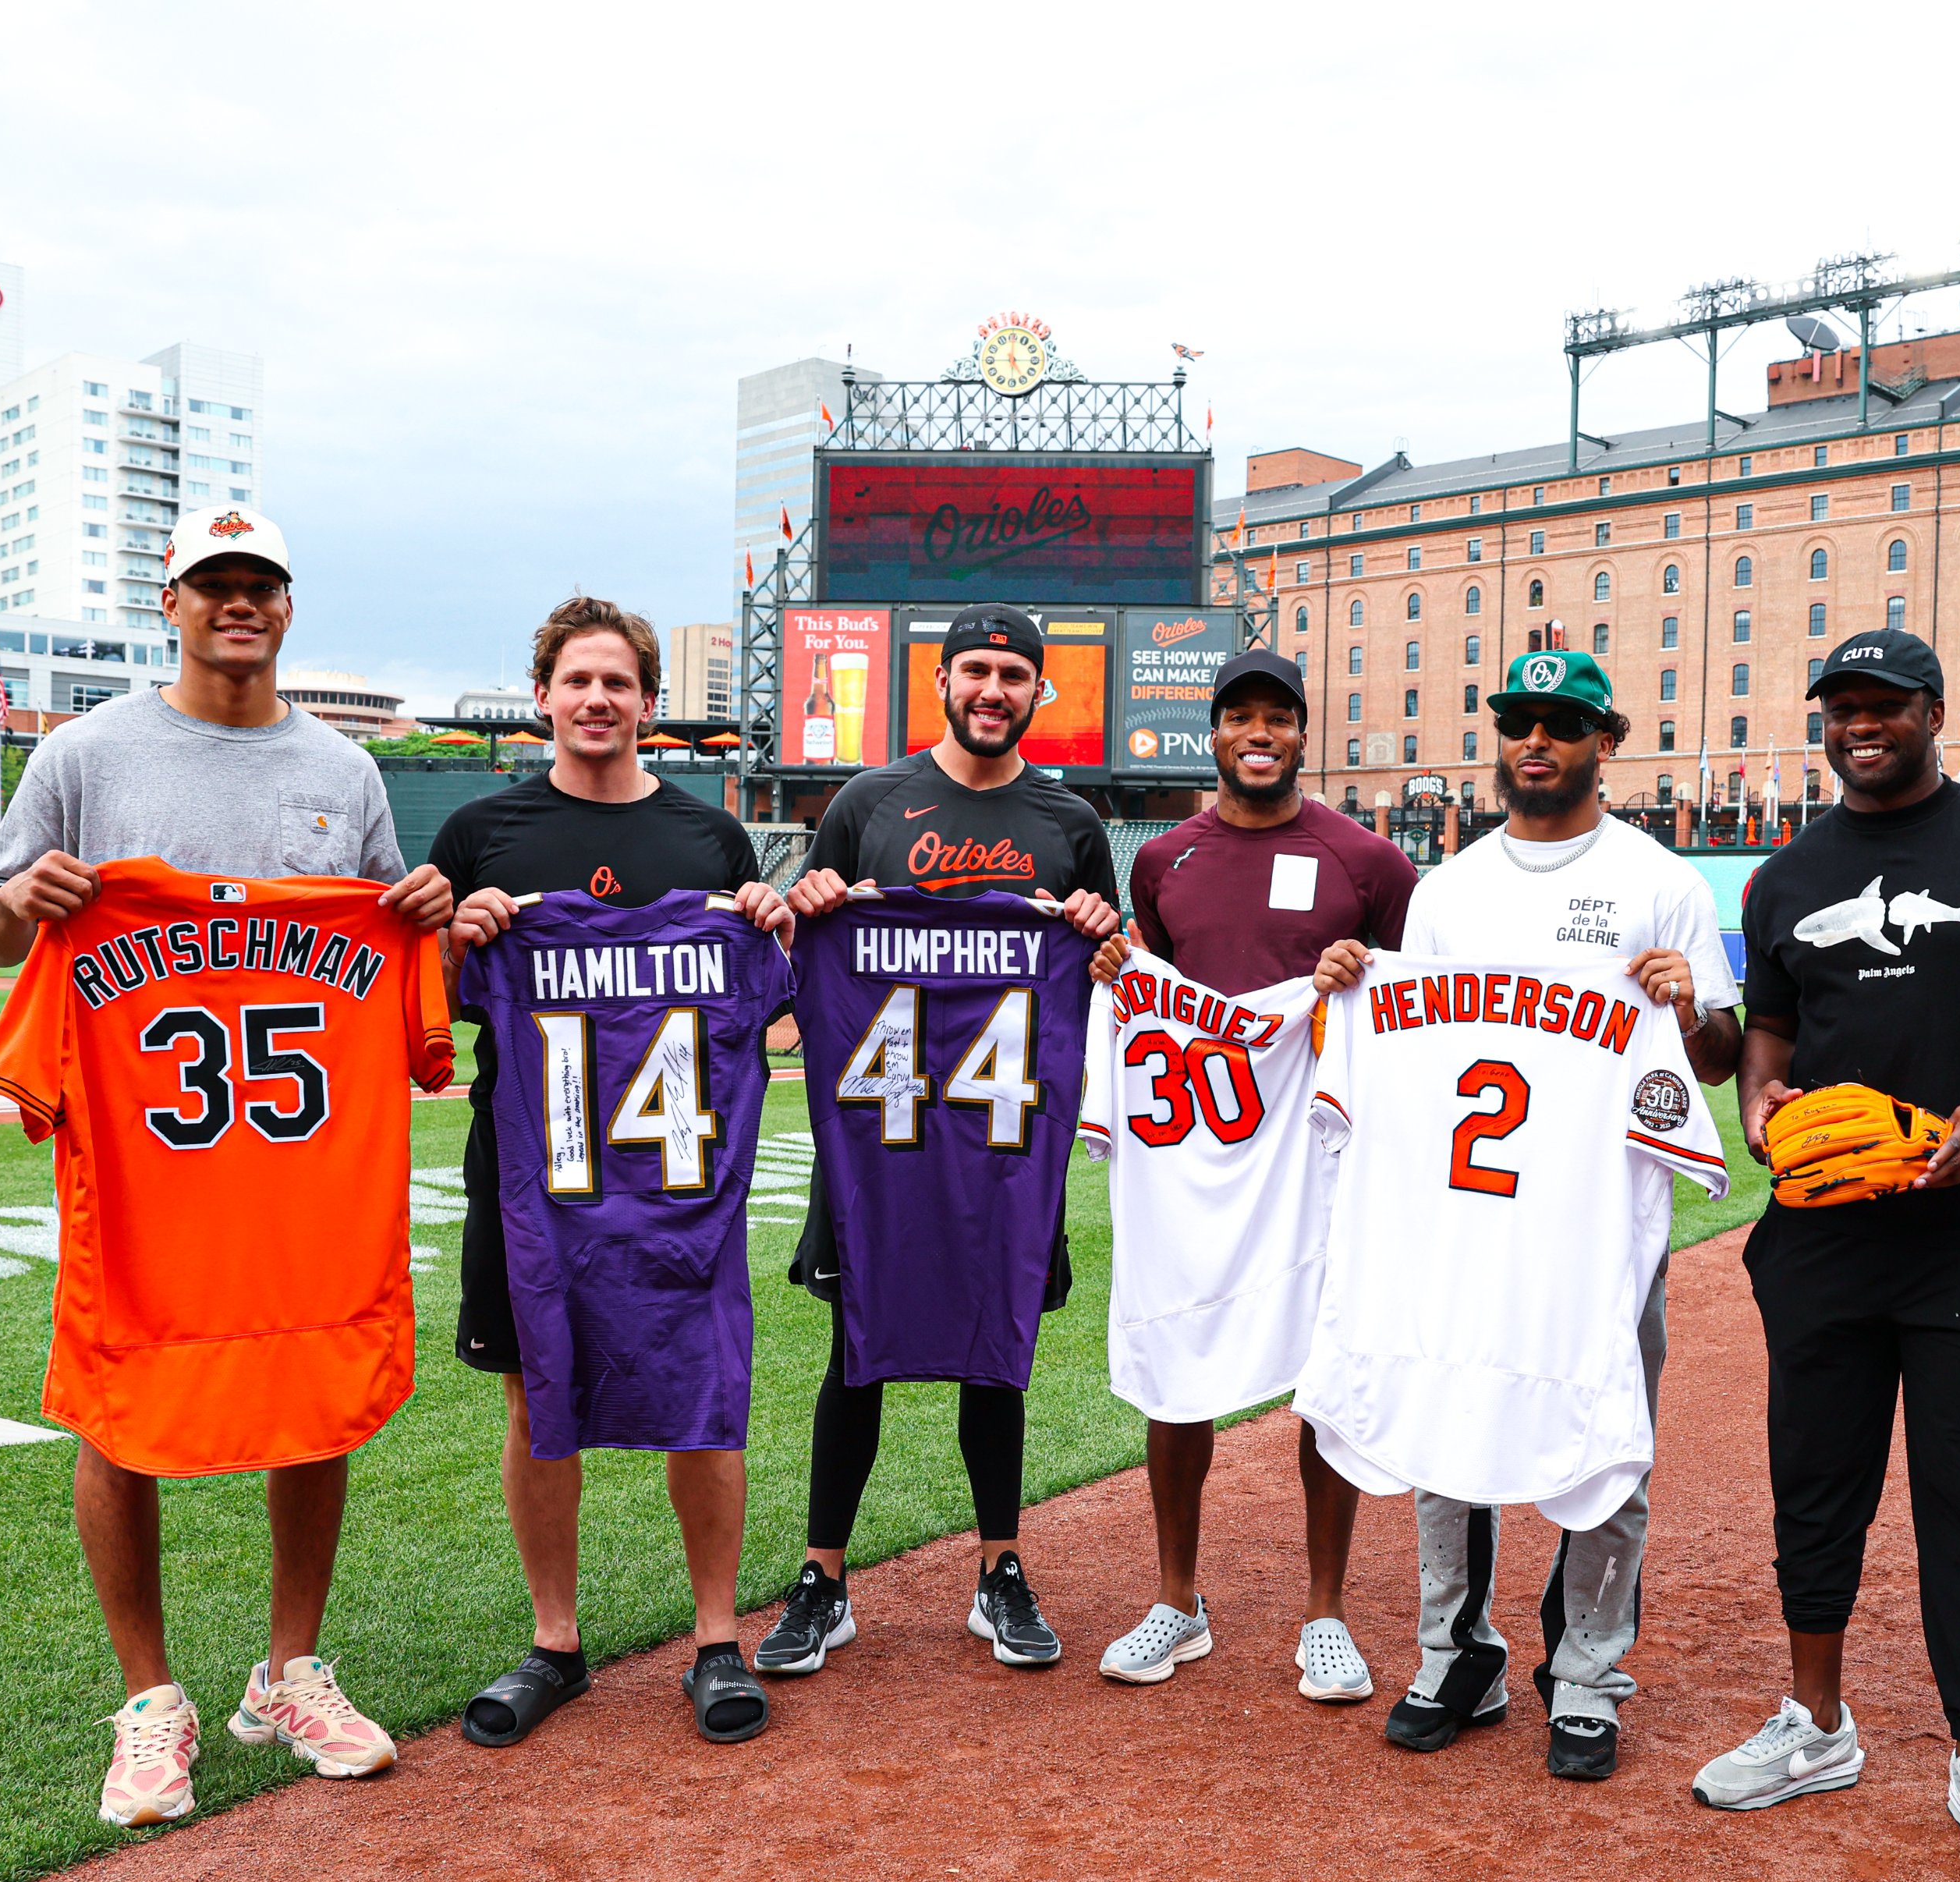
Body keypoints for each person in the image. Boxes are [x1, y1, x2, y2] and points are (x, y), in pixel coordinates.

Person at [0, 506, 455, 1827]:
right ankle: (150, 1699)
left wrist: (423, 915)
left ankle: (290, 1669)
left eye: (262, 585)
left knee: (317, 1385)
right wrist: (25, 901)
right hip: (145, 1169)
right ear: (168, 601)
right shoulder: (82, 754)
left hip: (300, 1174)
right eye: (213, 584)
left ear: (286, 607)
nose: (239, 603)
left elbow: (403, 942)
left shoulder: (345, 773)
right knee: (121, 1403)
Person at [1696, 627, 1960, 1880]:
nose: (1860, 725)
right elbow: (1768, 1038)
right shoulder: (1783, 879)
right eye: (1842, 707)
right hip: (1824, 1228)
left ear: (1937, 712)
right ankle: (1816, 1720)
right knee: (1814, 1478)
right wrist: (1763, 1107)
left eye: (1885, 705)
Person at [1339, 648, 1740, 1782]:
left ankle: (1586, 1673)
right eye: (1520, 719)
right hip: (1469, 1209)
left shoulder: (1661, 880)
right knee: (1445, 1410)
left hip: (1597, 1217)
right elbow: (1410, 1046)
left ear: (1604, 741)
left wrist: (1684, 1005)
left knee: (1607, 1427)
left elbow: (1709, 1060)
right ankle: (1453, 1650)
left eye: (1562, 723)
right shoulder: (1448, 889)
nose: (1536, 740)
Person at [433, 595, 794, 1749]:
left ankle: (716, 1636)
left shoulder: (709, 842)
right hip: (534, 1167)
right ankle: (555, 1640)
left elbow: (770, 1014)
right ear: (542, 694)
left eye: (618, 683)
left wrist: (770, 921)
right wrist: (454, 942)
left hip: (679, 1172)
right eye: (577, 680)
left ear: (649, 701)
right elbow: (422, 1009)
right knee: (536, 1392)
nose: (597, 700)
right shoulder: (481, 832)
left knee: (704, 1393)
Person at [758, 605, 1120, 1676]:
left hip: (1006, 1130)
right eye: (977, 669)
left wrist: (1104, 938)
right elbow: (800, 955)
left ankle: (1000, 1566)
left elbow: (1108, 977)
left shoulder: (1070, 818)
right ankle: (824, 1576)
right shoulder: (870, 801)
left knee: (996, 1341)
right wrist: (808, 899)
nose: (994, 688)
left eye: (1014, 673)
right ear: (944, 682)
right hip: (882, 1124)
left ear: (1035, 690)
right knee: (853, 1349)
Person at [1094, 647, 1417, 1702]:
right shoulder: (1166, 860)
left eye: (1281, 714)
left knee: (1326, 1378)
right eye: (1241, 716)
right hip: (1192, 1151)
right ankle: (1176, 1598)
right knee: (1174, 1360)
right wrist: (1116, 971)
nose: (1260, 732)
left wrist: (1357, 974)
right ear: (1217, 734)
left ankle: (1325, 1612)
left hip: (1327, 1150)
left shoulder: (1367, 859)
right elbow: (1151, 982)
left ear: (1302, 734)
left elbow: (1427, 999)